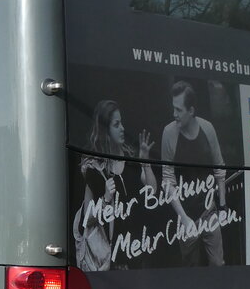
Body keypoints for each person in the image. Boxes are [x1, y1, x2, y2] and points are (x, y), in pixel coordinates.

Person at [74, 100, 156, 271]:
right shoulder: (95, 169)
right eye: (117, 125)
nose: (123, 128)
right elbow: (87, 219)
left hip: (138, 250)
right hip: (111, 258)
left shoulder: (130, 158)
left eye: (122, 123)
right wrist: (105, 199)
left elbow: (152, 192)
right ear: (105, 130)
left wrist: (145, 162)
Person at [160, 81, 226, 266]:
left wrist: (222, 206)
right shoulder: (169, 133)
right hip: (185, 212)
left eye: (179, 110)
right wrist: (183, 218)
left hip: (209, 210)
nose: (174, 114)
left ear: (191, 110)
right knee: (191, 266)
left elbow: (219, 168)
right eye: (173, 108)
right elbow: (167, 180)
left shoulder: (208, 129)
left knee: (218, 264)